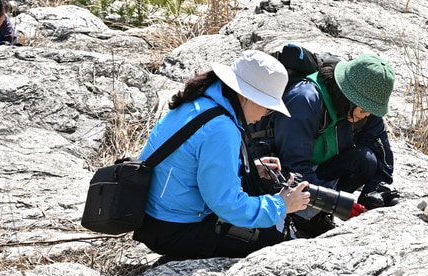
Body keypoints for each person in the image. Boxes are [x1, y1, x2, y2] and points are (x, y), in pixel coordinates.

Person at [132, 50, 311, 261]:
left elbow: (190, 161)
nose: (265, 115)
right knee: (271, 241)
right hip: (173, 228)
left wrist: (245, 167)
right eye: (267, 107)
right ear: (246, 96)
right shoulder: (221, 128)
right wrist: (281, 205)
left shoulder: (201, 101)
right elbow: (227, 205)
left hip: (152, 216)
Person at [265, 51, 399, 237]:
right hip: (279, 174)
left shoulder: (365, 106)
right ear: (349, 96)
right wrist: (334, 202)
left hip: (318, 168)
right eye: (364, 110)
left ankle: (317, 216)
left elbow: (381, 153)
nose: (368, 115)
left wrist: (376, 192)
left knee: (366, 161)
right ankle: (301, 218)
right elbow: (292, 166)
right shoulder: (305, 100)